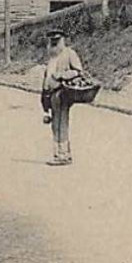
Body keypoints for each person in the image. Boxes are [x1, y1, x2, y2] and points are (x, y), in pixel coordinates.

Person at [42, 31, 84, 166]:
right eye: (51, 41)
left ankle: (63, 155)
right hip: (51, 94)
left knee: (62, 123)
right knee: (55, 124)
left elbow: (78, 71)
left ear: (62, 40)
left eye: (56, 40)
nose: (53, 43)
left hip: (62, 93)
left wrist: (62, 75)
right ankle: (59, 153)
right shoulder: (51, 56)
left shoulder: (69, 54)